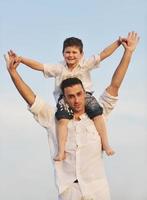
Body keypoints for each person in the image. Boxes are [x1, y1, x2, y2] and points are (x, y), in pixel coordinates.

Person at [5, 31, 139, 200]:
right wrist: (14, 73)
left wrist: (128, 52)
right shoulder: (55, 119)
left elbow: (115, 84)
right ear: (64, 98)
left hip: (97, 191)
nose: (76, 100)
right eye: (71, 96)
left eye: (79, 94)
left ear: (85, 93)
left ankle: (106, 144)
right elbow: (31, 99)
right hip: (69, 192)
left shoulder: (98, 114)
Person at [10, 36, 126, 160]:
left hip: (85, 95)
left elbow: (104, 54)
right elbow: (40, 66)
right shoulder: (59, 68)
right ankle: (61, 151)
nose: (71, 55)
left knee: (97, 114)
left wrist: (118, 43)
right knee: (62, 120)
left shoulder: (85, 64)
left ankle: (106, 144)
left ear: (81, 54)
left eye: (74, 52)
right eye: (68, 52)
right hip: (64, 98)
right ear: (63, 53)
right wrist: (21, 60)